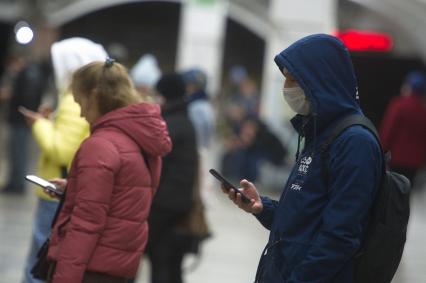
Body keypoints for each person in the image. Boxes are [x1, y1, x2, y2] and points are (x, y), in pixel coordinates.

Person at [220, 34, 382, 283]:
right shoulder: (320, 132)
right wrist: (262, 207)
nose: (287, 87)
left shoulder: (355, 143)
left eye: (293, 78)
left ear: (321, 80)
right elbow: (305, 218)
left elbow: (339, 239)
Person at [45, 59, 172, 282]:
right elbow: (126, 194)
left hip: (92, 268)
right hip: (122, 266)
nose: (81, 113)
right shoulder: (141, 139)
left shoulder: (101, 145)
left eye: (80, 102)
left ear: (94, 96)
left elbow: (86, 223)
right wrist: (76, 188)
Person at [19, 37, 108, 283]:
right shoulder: (86, 99)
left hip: (55, 187)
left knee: (39, 260)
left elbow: (61, 150)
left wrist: (38, 125)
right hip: (61, 186)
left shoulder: (73, 101)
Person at [146, 73, 199, 283]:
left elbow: (159, 159)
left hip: (165, 203)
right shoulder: (183, 118)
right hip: (177, 201)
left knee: (159, 257)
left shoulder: (172, 123)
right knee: (166, 259)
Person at [1, 57, 51, 194]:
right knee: (17, 152)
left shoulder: (28, 74)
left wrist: (22, 109)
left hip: (21, 119)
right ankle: (15, 182)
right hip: (22, 119)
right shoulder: (31, 74)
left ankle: (17, 184)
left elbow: (27, 96)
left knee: (18, 152)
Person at [379, 70, 426, 185]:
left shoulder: (398, 105)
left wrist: (381, 150)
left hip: (397, 158)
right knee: (408, 189)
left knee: (395, 190)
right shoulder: (423, 109)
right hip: (416, 161)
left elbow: (388, 131)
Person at [182, 68, 215, 149]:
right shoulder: (205, 105)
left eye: (188, 85)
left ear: (194, 86)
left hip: (193, 151)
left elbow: (196, 135)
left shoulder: (196, 107)